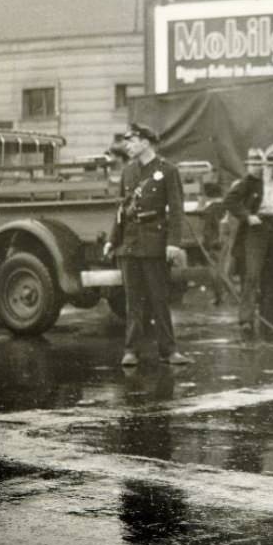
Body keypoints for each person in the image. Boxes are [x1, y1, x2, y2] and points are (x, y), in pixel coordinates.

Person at [106, 123, 191, 367]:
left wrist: (173, 243)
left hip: (155, 241)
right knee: (133, 300)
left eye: (131, 141)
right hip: (130, 243)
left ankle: (169, 349)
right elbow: (122, 209)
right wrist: (113, 239)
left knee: (159, 299)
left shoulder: (167, 170)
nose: (127, 146)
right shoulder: (129, 172)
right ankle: (131, 350)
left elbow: (176, 210)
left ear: (145, 142)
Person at [222, 145, 273, 337]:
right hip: (257, 230)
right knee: (252, 275)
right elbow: (229, 200)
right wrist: (247, 216)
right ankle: (246, 320)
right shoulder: (252, 181)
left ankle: (270, 320)